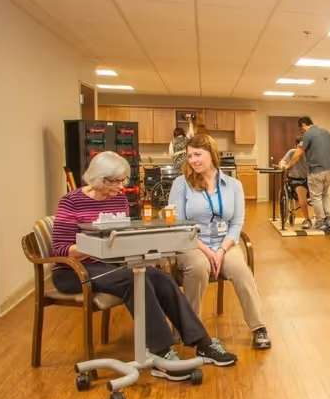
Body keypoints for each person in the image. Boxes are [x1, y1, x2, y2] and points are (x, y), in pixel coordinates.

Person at [51, 151, 238, 377]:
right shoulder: (71, 201)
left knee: (160, 277)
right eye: (116, 182)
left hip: (111, 265)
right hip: (74, 271)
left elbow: (124, 236)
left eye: (123, 181)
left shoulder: (118, 199)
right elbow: (60, 249)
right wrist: (95, 246)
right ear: (99, 178)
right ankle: (160, 351)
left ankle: (202, 342)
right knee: (133, 279)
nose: (121, 187)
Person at [169, 134, 271, 350]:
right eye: (189, 156)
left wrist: (222, 250)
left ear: (212, 154)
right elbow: (177, 223)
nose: (193, 160)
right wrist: (207, 250)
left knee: (241, 271)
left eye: (198, 154)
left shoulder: (233, 185)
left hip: (224, 243)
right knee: (197, 268)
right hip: (192, 243)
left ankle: (258, 327)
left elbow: (237, 222)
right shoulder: (181, 183)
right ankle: (189, 328)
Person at [280, 116, 330, 230]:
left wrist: (288, 165)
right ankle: (329, 219)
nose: (302, 131)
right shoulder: (325, 132)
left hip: (316, 170)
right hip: (329, 169)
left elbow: (299, 152)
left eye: (301, 129)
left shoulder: (308, 134)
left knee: (315, 197)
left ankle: (320, 221)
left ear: (303, 125)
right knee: (325, 194)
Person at [278, 135, 312, 230]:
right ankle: (307, 219)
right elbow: (282, 162)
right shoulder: (292, 152)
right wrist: (283, 165)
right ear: (296, 146)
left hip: (310, 180)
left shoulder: (310, 154)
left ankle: (322, 218)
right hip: (296, 181)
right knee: (302, 193)